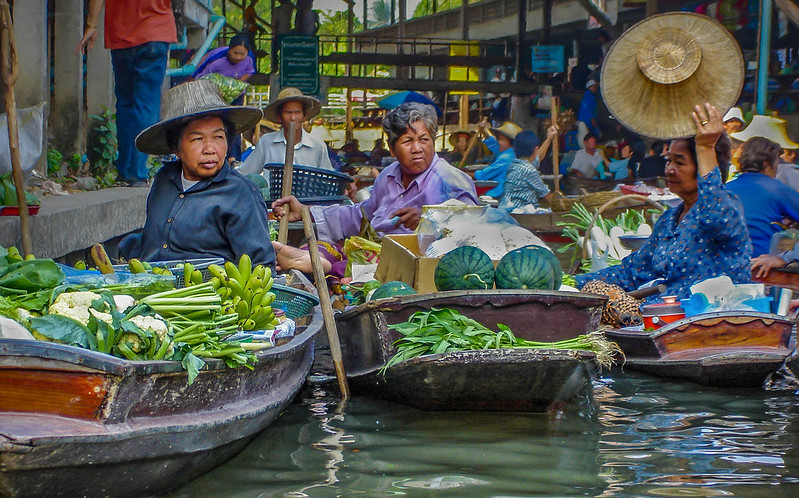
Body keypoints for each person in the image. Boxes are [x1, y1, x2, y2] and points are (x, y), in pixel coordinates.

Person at [271, 102, 478, 277]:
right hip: (371, 251)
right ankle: (316, 259)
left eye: (424, 140)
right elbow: (361, 215)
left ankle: (324, 266)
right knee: (323, 247)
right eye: (407, 141)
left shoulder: (450, 180)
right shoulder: (389, 175)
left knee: (346, 271)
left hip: (415, 266)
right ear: (392, 147)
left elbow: (474, 229)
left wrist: (429, 220)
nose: (417, 148)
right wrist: (307, 212)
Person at [574, 103, 751, 304]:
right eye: (669, 161)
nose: (669, 170)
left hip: (711, 323)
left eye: (680, 162)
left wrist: (705, 147)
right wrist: (573, 284)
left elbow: (713, 210)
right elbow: (633, 271)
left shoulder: (726, 208)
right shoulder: (669, 220)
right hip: (661, 319)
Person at [118, 80, 276, 267]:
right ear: (176, 147)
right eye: (197, 139)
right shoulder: (164, 179)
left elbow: (260, 266)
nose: (210, 149)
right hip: (150, 286)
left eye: (218, 137)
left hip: (209, 292)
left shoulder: (241, 193)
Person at [76, 0, 177, 187]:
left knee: (125, 103)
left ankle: (124, 170)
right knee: (146, 105)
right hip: (156, 32)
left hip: (121, 36)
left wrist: (91, 25)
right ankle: (137, 172)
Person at [725, 137, 799, 257]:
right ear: (765, 163)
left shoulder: (726, 188)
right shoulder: (777, 189)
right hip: (760, 263)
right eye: (776, 162)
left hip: (725, 262)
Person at [237, 87, 333, 178]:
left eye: (297, 112)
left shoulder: (317, 146)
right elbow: (245, 173)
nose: (293, 118)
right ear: (280, 116)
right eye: (288, 112)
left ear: (304, 116)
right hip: (274, 195)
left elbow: (328, 179)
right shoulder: (266, 143)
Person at [498, 126, 558, 212]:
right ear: (535, 149)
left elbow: (538, 157)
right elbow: (546, 195)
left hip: (507, 208)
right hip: (520, 210)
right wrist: (564, 204)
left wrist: (549, 139)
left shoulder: (515, 164)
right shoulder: (529, 170)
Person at [474, 120, 522, 198]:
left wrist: (463, 173)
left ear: (511, 142)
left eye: (500, 139)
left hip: (499, 195)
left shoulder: (506, 158)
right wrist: (484, 131)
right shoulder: (509, 152)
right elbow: (494, 144)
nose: (497, 142)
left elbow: (483, 175)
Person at [577, 79, 601, 144]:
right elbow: (587, 111)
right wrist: (593, 121)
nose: (596, 88)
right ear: (591, 87)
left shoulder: (591, 96)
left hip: (590, 122)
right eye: (595, 86)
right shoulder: (588, 96)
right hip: (587, 122)